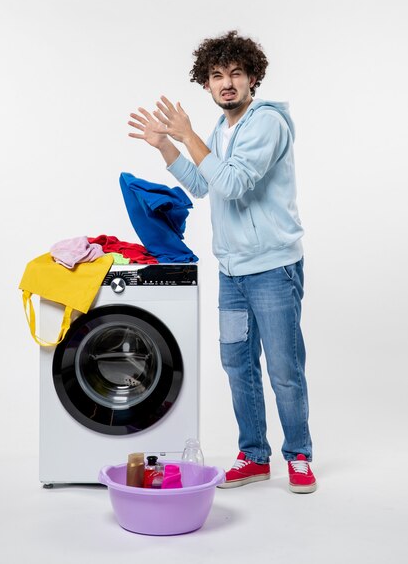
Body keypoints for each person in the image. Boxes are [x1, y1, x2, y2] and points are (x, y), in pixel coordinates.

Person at [128, 30, 316, 493]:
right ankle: (254, 455)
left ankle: (299, 455)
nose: (226, 83)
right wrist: (166, 145)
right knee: (238, 365)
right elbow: (200, 182)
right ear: (207, 84)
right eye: (217, 76)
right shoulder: (222, 129)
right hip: (232, 273)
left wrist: (188, 133)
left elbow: (232, 184)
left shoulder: (267, 123)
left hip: (273, 269)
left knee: (284, 369)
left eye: (235, 73)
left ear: (253, 78)